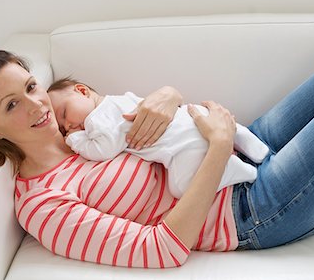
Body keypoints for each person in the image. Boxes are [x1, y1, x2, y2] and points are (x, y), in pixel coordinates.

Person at [0, 36, 314, 268]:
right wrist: (219, 147)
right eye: (12, 104)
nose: (37, 105)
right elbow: (162, 249)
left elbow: (138, 118)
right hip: (255, 210)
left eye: (30, 87)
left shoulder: (79, 124)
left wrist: (170, 95)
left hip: (247, 141)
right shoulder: (43, 205)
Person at [46, 80, 269, 198]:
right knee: (205, 117)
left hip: (181, 147)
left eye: (64, 114)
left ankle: (238, 170)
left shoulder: (96, 120)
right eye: (64, 129)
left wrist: (74, 140)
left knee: (181, 189)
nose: (68, 126)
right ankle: (248, 140)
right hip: (193, 116)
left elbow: (104, 149)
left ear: (82, 91)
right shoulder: (119, 99)